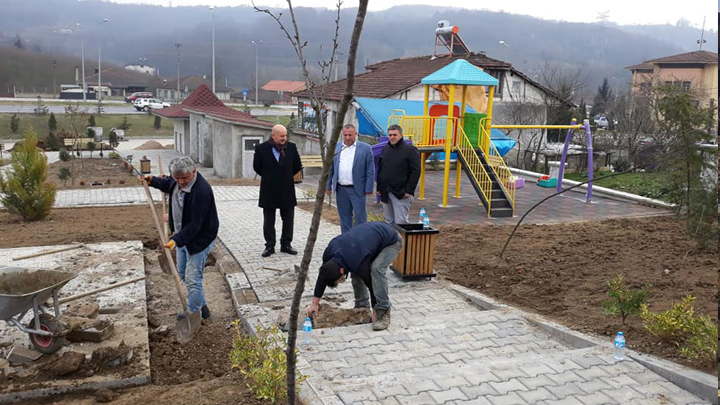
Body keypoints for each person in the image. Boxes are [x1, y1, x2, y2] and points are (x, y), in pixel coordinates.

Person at [142, 156, 219, 320]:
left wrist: (175, 240)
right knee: (183, 273)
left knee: (192, 279)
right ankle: (202, 306)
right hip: (182, 236)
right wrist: (151, 180)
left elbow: (194, 226)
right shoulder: (176, 181)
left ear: (194, 171)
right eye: (177, 178)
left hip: (199, 239)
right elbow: (167, 184)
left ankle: (194, 313)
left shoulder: (201, 192)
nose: (181, 182)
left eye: (184, 178)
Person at [306, 221, 402, 331]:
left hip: (391, 241)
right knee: (356, 273)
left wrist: (375, 309)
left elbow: (372, 286)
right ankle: (362, 307)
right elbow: (323, 276)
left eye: (340, 280)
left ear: (342, 270)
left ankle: (383, 312)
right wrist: (314, 303)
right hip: (367, 241)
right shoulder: (329, 254)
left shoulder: (359, 261)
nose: (340, 281)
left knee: (376, 270)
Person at [253, 124, 303, 257]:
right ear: (273, 135)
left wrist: (285, 176)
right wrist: (271, 176)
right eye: (281, 136)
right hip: (268, 190)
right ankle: (269, 246)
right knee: (269, 220)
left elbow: (297, 165)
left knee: (288, 219)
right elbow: (257, 167)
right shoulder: (261, 148)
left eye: (285, 135)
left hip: (287, 189)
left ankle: (286, 244)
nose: (284, 138)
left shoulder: (291, 147)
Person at [325, 124, 375, 233]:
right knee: (344, 217)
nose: (348, 138)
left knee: (360, 217)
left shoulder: (365, 149)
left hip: (358, 189)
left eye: (350, 135)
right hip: (341, 189)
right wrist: (328, 186)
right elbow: (330, 169)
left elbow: (370, 170)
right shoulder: (336, 148)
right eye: (345, 135)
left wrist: (369, 188)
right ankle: (347, 241)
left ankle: (361, 240)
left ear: (355, 134)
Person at [376, 124, 421, 224]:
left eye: (394, 135)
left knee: (401, 222)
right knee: (389, 221)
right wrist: (379, 188)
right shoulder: (385, 149)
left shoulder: (410, 150)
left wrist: (409, 191)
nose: (392, 137)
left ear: (401, 135)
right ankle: (392, 240)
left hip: (401, 193)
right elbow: (380, 169)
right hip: (386, 191)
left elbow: (416, 171)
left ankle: (402, 240)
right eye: (390, 135)